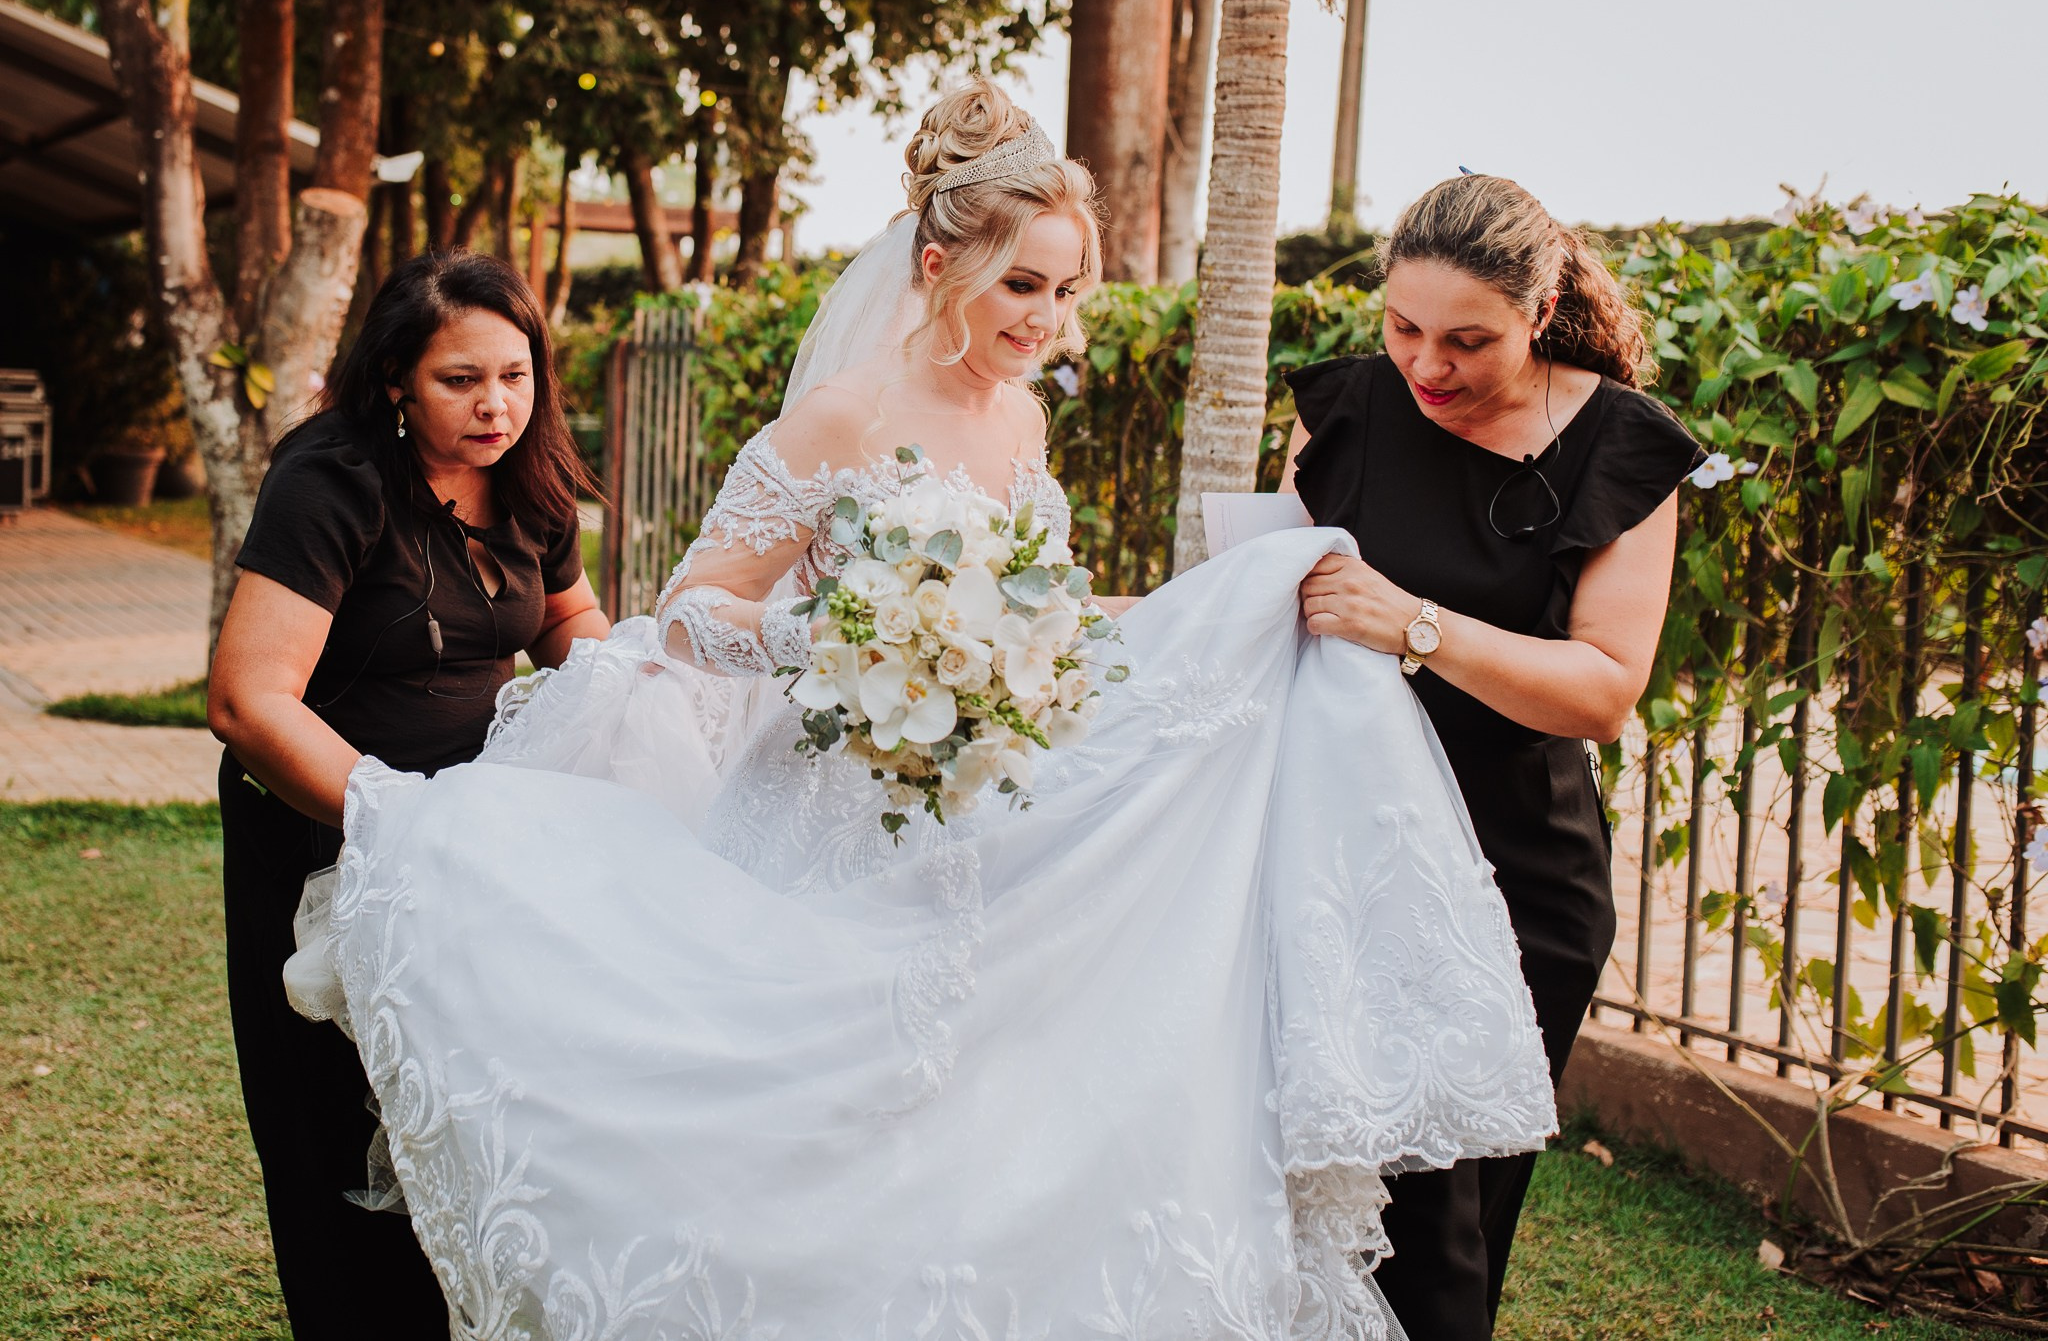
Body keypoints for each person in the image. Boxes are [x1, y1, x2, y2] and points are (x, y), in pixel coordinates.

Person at [282, 83, 1555, 1341]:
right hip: (826, 813)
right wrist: (828, 641)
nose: (1046, 319)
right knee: (817, 1123)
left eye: (1064, 291)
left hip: (979, 815)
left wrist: (1217, 609)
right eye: (1020, 286)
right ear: (940, 263)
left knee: (972, 1128)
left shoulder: (1023, 423)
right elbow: (686, 609)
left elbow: (1039, 612)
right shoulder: (843, 414)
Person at [1280, 172, 1705, 1339]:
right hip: (1341, 865)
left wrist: (1412, 623)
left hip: (1518, 877)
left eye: (1466, 340)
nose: (1426, 366)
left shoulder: (1620, 445)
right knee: (1337, 1205)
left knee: (1456, 1224)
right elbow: (1272, 605)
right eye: (1402, 328)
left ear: (1543, 303)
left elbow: (1603, 690)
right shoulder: (1344, 410)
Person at [206, 251, 609, 1339]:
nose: (496, 406)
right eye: (460, 380)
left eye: (516, 376)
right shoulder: (331, 479)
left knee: (470, 1120)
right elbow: (249, 702)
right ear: (394, 378)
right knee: (340, 1131)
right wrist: (397, 824)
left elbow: (569, 623)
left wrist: (628, 712)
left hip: (478, 853)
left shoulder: (531, 475)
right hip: (328, 847)